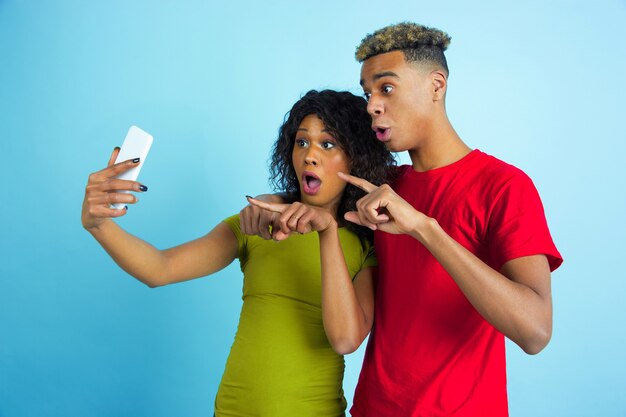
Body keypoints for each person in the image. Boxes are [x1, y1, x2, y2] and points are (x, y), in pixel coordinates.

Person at [245, 23, 563, 417]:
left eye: (387, 88)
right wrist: (269, 199)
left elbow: (535, 332)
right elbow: (317, 199)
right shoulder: (379, 188)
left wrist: (424, 228)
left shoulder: (504, 187)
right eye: (367, 93)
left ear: (436, 85)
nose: (372, 105)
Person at [81, 89, 395, 417]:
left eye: (327, 144)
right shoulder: (259, 223)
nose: (309, 156)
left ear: (355, 156)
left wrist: (327, 232)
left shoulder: (366, 245)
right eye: (301, 142)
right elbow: (160, 269)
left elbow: (346, 340)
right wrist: (99, 226)